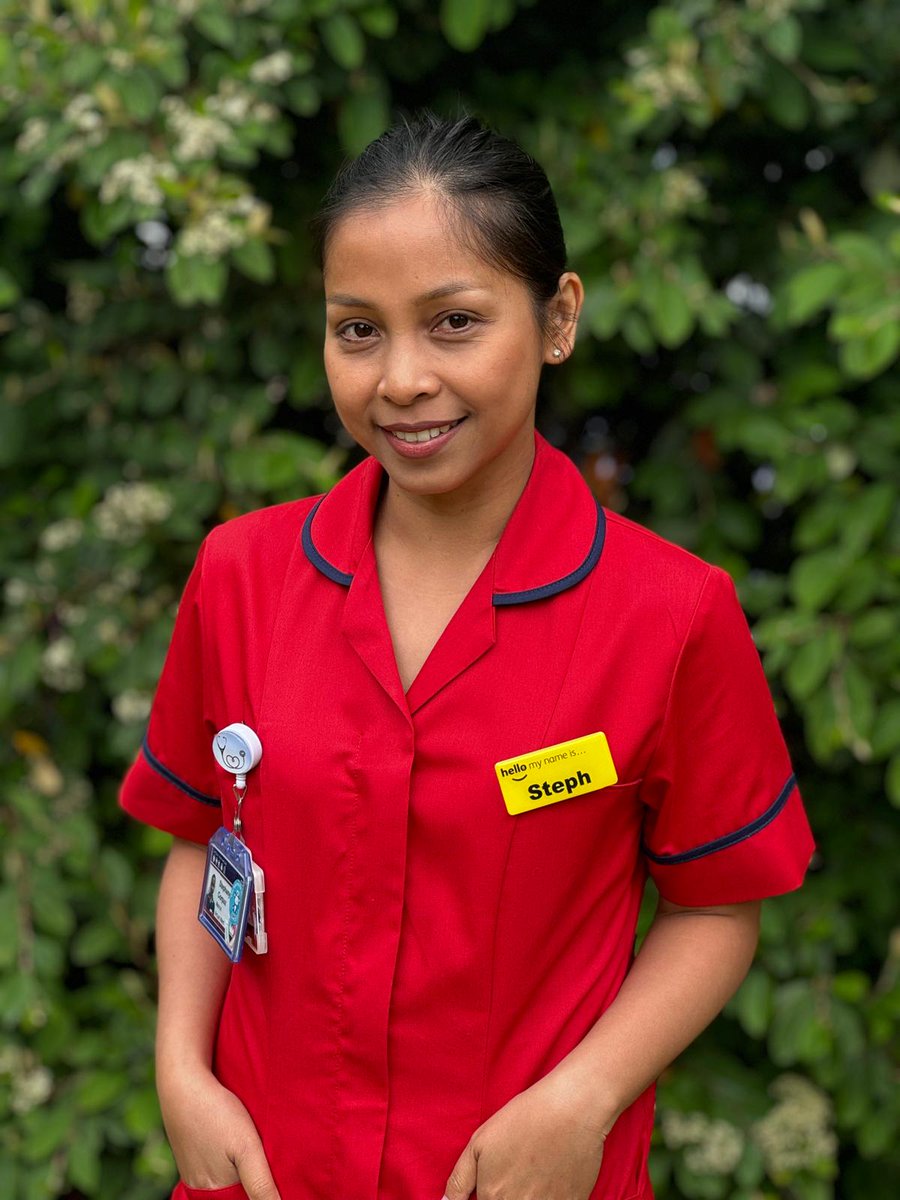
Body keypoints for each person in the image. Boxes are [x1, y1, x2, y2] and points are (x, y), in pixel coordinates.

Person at [120, 112, 814, 1200]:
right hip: (264, 1174)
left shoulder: (671, 615)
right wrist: (179, 1070)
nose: (400, 378)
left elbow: (719, 906)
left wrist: (583, 1100)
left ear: (558, 319)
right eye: (358, 330)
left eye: (453, 323)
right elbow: (205, 833)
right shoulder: (242, 575)